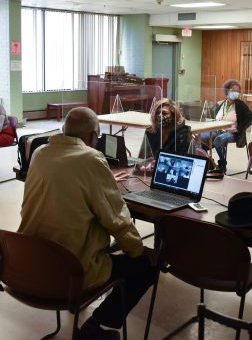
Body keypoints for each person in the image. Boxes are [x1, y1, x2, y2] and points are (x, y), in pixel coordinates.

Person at [18, 107, 157, 340]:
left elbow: (65, 185)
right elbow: (116, 218)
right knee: (146, 267)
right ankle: (95, 327)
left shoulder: (41, 152)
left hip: (30, 262)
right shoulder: (92, 159)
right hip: (70, 270)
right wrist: (138, 248)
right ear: (94, 135)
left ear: (65, 130)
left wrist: (99, 179)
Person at [201, 79, 252, 173]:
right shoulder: (221, 103)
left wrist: (238, 129)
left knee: (219, 140)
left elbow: (250, 118)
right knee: (200, 138)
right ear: (227, 90)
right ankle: (208, 161)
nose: (236, 92)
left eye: (238, 91)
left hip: (233, 133)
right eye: (233, 90)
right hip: (218, 131)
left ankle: (222, 164)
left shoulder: (240, 104)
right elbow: (212, 116)